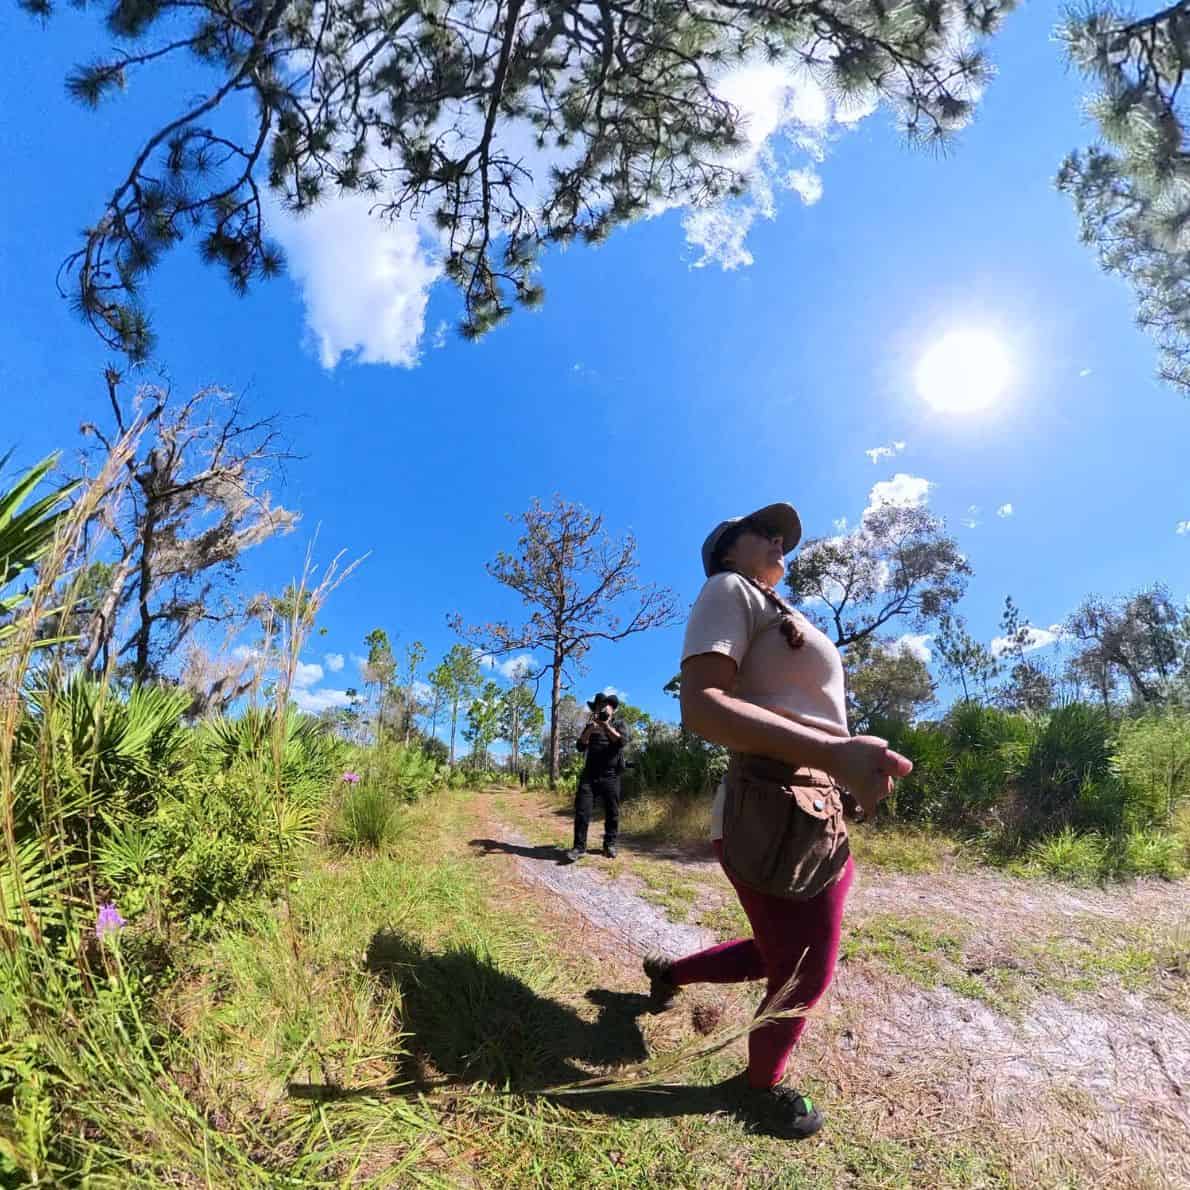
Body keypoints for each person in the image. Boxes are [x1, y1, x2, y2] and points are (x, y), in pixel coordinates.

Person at [641, 502, 912, 1140]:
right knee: (806, 970)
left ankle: (669, 974)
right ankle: (757, 1088)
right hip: (772, 803)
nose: (778, 541)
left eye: (781, 535)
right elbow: (703, 709)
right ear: (726, 551)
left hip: (816, 805)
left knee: (779, 952)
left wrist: (846, 766)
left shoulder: (781, 610)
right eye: (763, 533)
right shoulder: (726, 589)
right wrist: (833, 753)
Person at [564, 692, 627, 863]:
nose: (602, 709)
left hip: (611, 776)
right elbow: (579, 746)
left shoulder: (619, 725)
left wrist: (606, 726)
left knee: (612, 812)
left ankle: (610, 844)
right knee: (582, 811)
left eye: (605, 706)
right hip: (589, 776)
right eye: (599, 707)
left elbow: (621, 742)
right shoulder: (590, 725)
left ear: (612, 710)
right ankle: (578, 847)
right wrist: (590, 730)